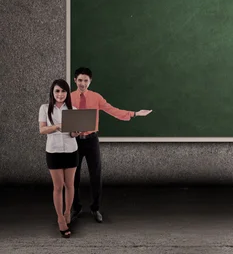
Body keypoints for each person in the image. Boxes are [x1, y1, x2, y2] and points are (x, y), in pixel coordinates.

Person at [70, 67, 152, 223]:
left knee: (96, 175)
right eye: (80, 80)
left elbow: (113, 110)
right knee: (73, 176)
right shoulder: (69, 97)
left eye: (86, 80)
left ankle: (95, 209)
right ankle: (76, 208)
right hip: (73, 141)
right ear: (75, 80)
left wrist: (134, 113)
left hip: (92, 140)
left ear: (90, 81)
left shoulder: (96, 97)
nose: (83, 83)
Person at [39, 79, 81, 238]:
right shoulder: (44, 108)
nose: (60, 94)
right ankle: (60, 218)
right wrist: (57, 126)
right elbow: (42, 130)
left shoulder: (73, 109)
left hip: (71, 150)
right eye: (57, 91)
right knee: (58, 186)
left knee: (70, 185)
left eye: (63, 91)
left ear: (67, 93)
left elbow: (72, 133)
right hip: (54, 151)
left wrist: (75, 133)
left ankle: (67, 211)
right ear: (52, 92)